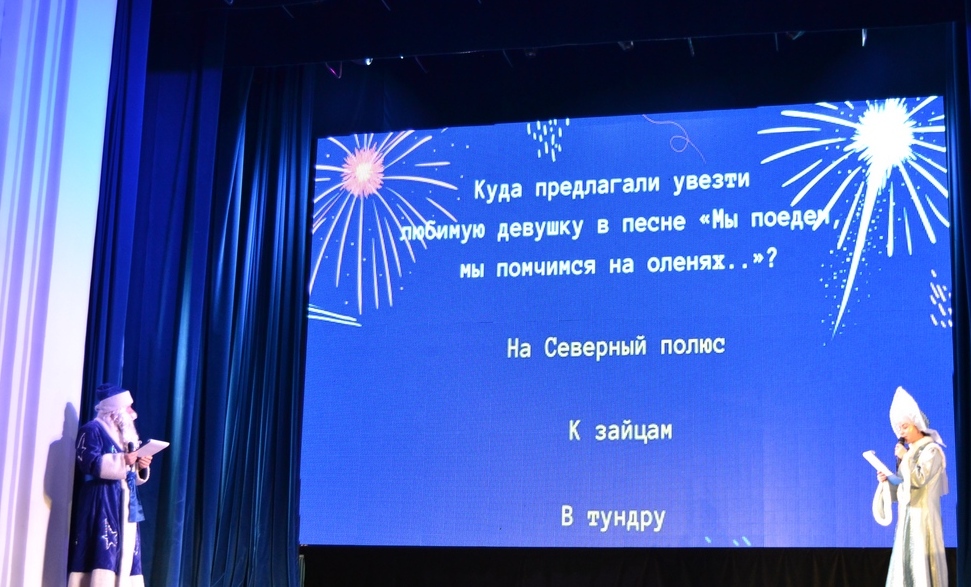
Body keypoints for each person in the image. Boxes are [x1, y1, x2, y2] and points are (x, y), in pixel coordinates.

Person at [68, 383, 153, 587]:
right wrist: (123, 460)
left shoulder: (125, 436)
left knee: (126, 550)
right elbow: (88, 463)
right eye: (128, 407)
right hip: (101, 498)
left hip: (126, 500)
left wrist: (141, 466)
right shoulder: (92, 430)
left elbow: (130, 474)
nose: (132, 413)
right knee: (103, 548)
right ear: (115, 410)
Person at [872, 386, 948, 587]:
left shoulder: (932, 452)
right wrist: (887, 482)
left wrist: (906, 458)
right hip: (907, 519)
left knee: (921, 568)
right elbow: (902, 487)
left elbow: (919, 479)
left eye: (905, 427)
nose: (901, 432)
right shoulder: (910, 454)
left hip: (923, 519)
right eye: (900, 428)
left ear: (917, 426)